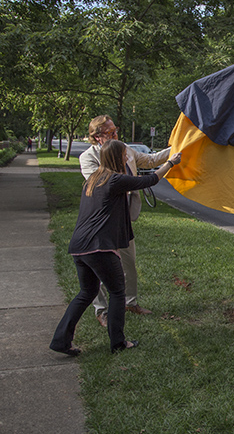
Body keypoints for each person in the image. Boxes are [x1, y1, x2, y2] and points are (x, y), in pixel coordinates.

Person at [50, 140, 182, 355]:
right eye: (123, 155)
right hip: (98, 247)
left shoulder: (93, 179)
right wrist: (171, 163)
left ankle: (60, 341)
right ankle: (119, 343)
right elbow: (151, 179)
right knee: (117, 292)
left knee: (86, 292)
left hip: (79, 246)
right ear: (116, 158)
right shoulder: (114, 179)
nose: (126, 158)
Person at [80, 115, 171, 325]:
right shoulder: (88, 157)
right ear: (97, 137)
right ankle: (101, 310)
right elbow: (103, 184)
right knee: (101, 268)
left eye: (116, 130)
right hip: (103, 222)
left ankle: (130, 302)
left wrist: (178, 148)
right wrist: (136, 180)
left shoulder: (126, 149)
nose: (116, 136)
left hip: (124, 218)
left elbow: (151, 160)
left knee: (129, 263)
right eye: (111, 133)